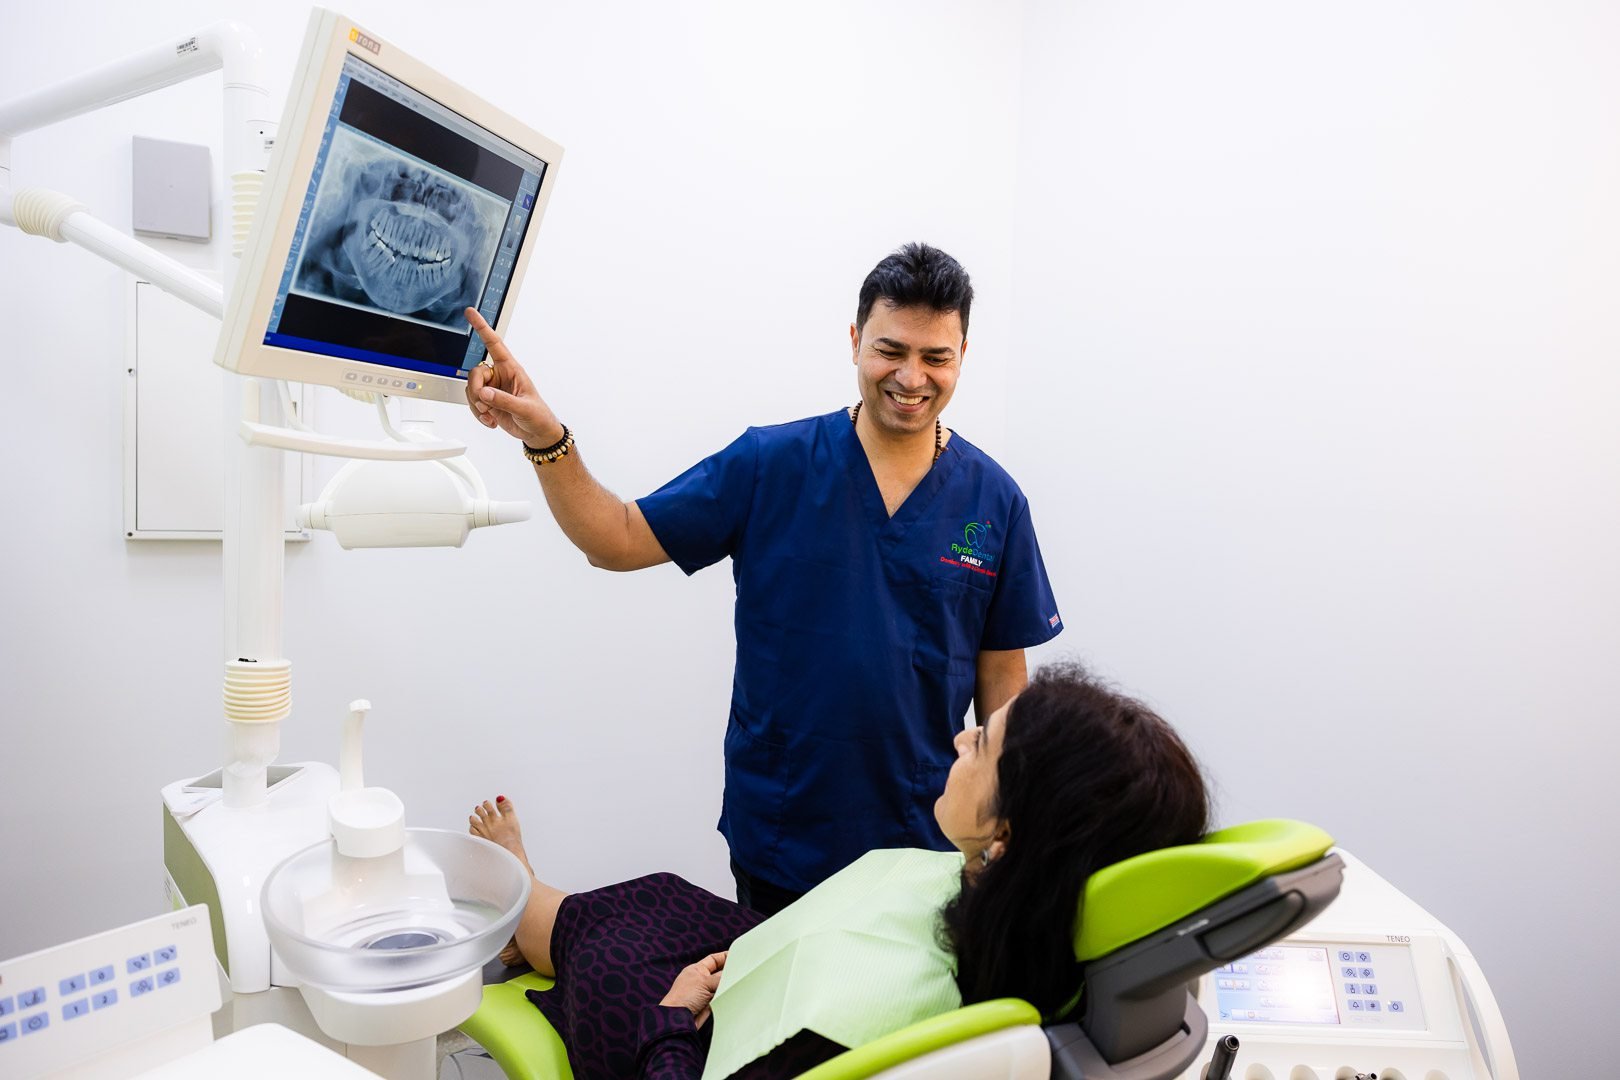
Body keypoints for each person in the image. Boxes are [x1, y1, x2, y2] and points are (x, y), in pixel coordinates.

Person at [465, 243, 1065, 913]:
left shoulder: (995, 502)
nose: (911, 377)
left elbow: (1003, 684)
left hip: (923, 844)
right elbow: (618, 538)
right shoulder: (770, 464)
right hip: (785, 834)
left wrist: (1008, 830)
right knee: (777, 1016)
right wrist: (545, 437)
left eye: (936, 358)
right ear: (854, 340)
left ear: (962, 357)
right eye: (890, 351)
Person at [467, 661, 1210, 1080]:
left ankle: (523, 910)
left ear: (1009, 837)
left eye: (980, 744)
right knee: (662, 895)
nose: (958, 737)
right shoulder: (1030, 923)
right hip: (765, 976)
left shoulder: (861, 1038)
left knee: (608, 952)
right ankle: (532, 913)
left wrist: (667, 1022)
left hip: (688, 1049)